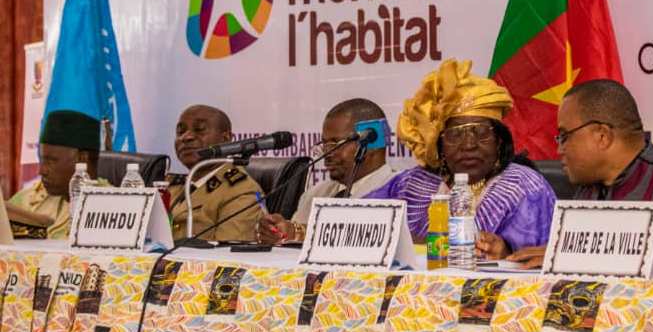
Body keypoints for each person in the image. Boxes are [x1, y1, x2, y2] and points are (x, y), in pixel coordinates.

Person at [507, 79, 653, 268]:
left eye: (564, 136)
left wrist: (568, 257)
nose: (559, 149)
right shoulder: (589, 187)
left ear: (603, 136)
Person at [365, 59, 557, 259]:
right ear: (439, 144)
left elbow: (542, 261)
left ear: (499, 141)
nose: (469, 144)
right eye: (455, 134)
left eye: (481, 132)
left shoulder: (525, 188)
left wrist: (506, 252)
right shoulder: (411, 184)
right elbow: (359, 221)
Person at [257, 98, 397, 244]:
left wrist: (298, 233)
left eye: (336, 144)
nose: (327, 153)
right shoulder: (314, 195)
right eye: (325, 144)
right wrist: (278, 233)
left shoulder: (397, 193)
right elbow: (290, 245)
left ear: (372, 142)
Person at [167, 104, 264, 242]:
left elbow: (226, 252)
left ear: (225, 139)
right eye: (180, 132)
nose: (186, 137)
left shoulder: (242, 192)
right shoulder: (170, 186)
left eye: (199, 129)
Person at [7, 110, 108, 239]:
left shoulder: (111, 207)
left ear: (82, 158)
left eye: (51, 161)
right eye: (42, 160)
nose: (42, 171)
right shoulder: (31, 198)